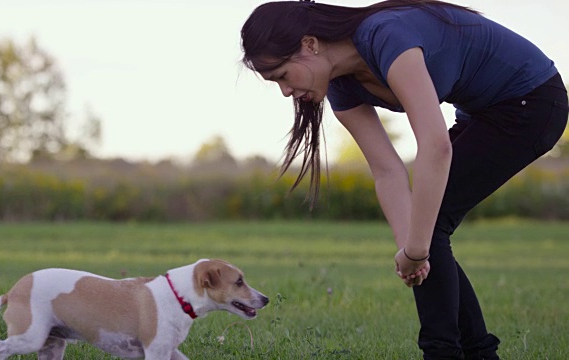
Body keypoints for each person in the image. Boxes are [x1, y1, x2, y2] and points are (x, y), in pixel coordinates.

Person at [239, 0, 568, 359]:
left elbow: (435, 145)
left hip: (532, 101)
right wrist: (412, 254)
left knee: (432, 222)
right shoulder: (341, 85)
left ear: (310, 44)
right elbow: (386, 169)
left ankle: (444, 352)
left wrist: (417, 248)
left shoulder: (385, 36)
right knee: (426, 228)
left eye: (283, 76)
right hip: (485, 112)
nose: (286, 92)